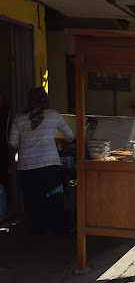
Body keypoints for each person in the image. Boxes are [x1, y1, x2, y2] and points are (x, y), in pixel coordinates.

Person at [9, 87, 74, 234]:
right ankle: (56, 228)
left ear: (29, 101)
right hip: (49, 164)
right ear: (46, 99)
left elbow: (12, 143)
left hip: (26, 166)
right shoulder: (53, 115)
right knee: (54, 198)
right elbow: (70, 136)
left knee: (33, 201)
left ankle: (38, 229)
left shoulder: (19, 118)